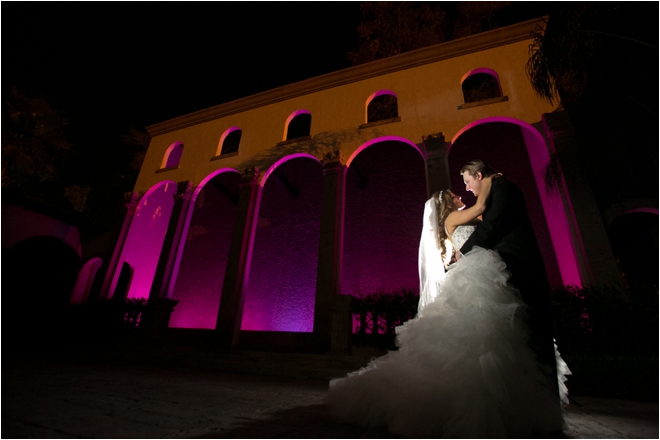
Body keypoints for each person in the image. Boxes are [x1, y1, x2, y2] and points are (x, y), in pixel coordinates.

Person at [324, 172, 570, 438]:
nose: (459, 193)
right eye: (453, 194)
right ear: (445, 204)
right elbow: (480, 209)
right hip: (474, 275)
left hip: (482, 271)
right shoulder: (454, 218)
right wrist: (488, 183)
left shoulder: (462, 216)